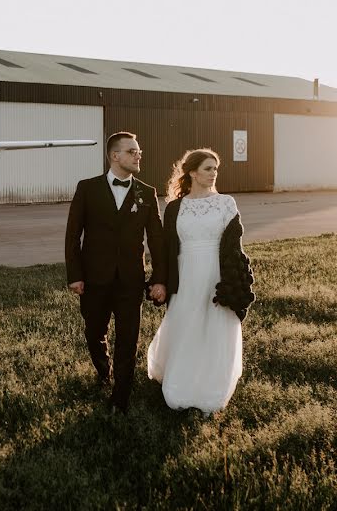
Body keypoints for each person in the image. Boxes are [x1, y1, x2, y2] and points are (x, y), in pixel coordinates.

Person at [65, 132, 167, 413]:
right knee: (94, 332)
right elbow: (73, 235)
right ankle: (103, 370)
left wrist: (159, 277)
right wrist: (75, 274)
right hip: (94, 279)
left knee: (128, 338)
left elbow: (156, 239)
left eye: (139, 151)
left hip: (130, 280)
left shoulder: (146, 192)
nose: (138, 155)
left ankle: (121, 396)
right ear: (114, 156)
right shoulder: (87, 189)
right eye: (132, 151)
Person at [147, 148, 255, 414]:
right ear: (192, 172)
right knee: (186, 325)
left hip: (216, 274)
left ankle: (212, 383)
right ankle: (181, 379)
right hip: (185, 275)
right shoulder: (174, 208)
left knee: (215, 325)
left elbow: (234, 246)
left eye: (215, 169)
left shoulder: (226, 203)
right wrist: (161, 280)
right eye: (208, 168)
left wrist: (234, 282)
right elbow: (166, 249)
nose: (213, 173)